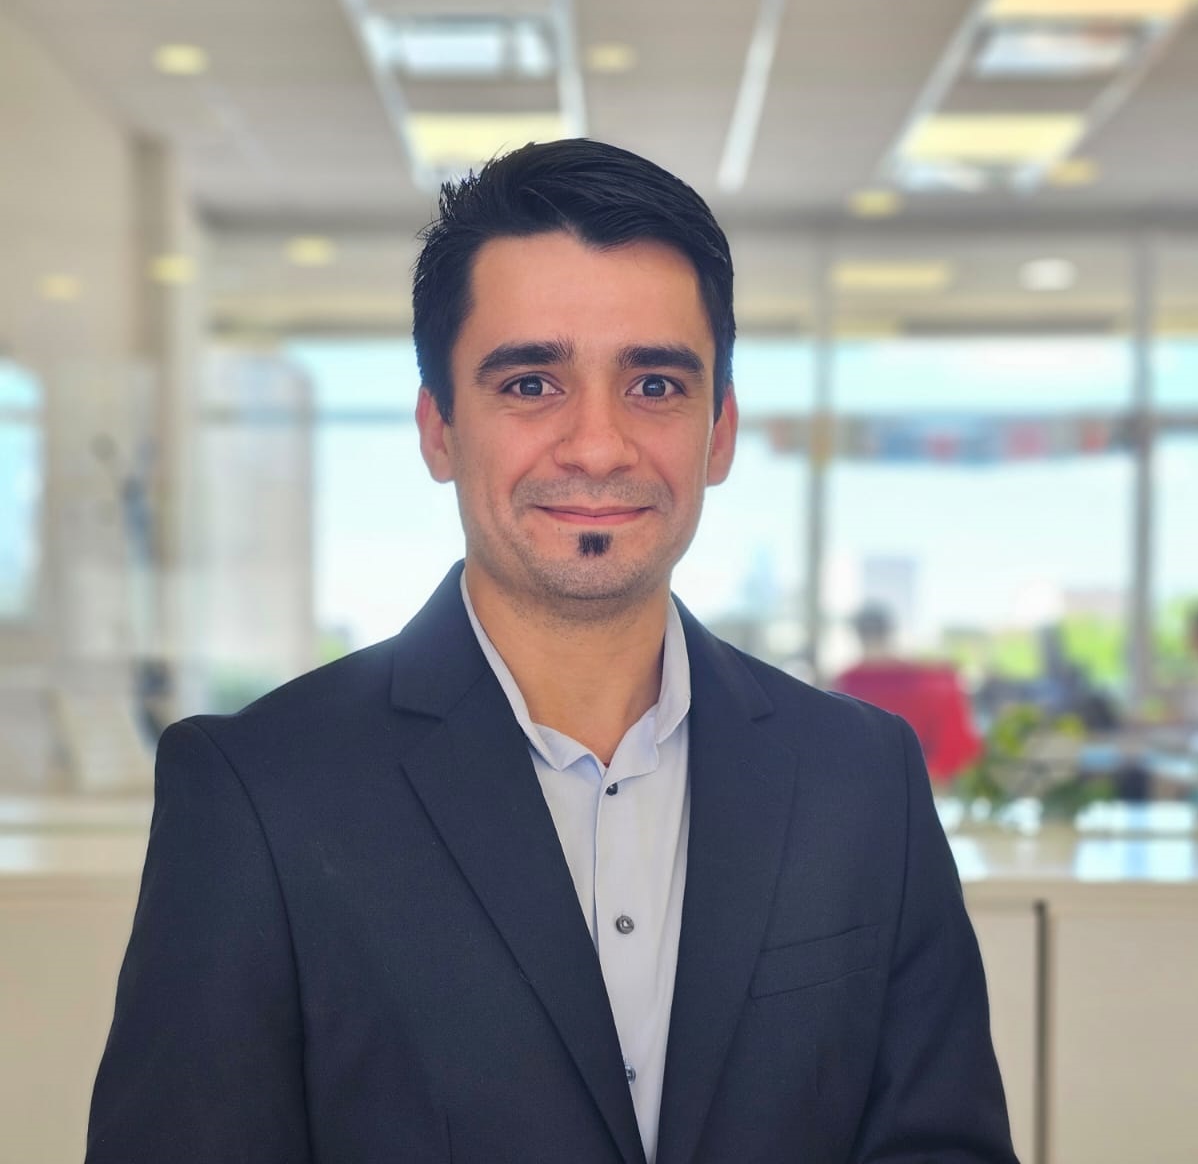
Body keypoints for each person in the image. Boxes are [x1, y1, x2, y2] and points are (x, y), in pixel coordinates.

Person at [87, 140, 1017, 1164]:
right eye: (532, 383)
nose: (598, 445)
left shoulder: (862, 779)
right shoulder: (259, 792)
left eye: (654, 384)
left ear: (718, 433)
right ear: (439, 430)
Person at [833, 604, 983, 787]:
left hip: (868, 784)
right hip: (922, 782)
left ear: (858, 634)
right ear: (889, 632)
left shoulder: (846, 683)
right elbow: (956, 745)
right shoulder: (930, 681)